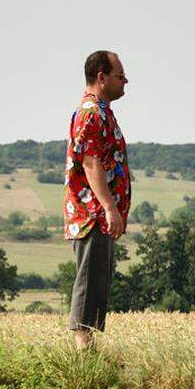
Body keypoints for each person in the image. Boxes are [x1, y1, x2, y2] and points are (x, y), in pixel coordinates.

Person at [64, 50, 131, 350]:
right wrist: (108, 207)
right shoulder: (91, 113)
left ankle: (88, 351)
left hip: (98, 215)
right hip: (91, 214)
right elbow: (91, 164)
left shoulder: (101, 111)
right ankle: (83, 355)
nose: (125, 80)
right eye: (120, 75)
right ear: (101, 77)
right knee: (88, 282)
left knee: (96, 282)